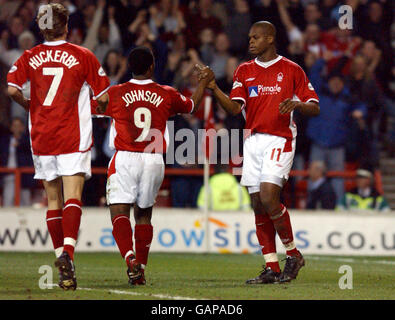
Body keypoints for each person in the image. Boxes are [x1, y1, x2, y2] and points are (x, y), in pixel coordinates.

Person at [198, 21, 320, 284]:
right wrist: (213, 87)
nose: (251, 41)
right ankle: (271, 267)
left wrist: (297, 104)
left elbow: (314, 106)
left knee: (268, 196)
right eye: (250, 37)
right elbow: (233, 109)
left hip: (280, 139)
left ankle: (294, 254)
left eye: (256, 37)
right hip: (252, 141)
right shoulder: (244, 71)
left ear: (270, 38)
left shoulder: (291, 69)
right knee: (257, 204)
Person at [6, 3, 110, 290]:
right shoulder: (82, 55)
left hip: (42, 135)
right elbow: (103, 95)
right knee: (72, 196)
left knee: (53, 200)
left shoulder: (29, 56)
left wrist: (28, 104)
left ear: (41, 27)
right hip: (71, 136)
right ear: (66, 26)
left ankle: (61, 266)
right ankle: (68, 253)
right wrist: (97, 106)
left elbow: (12, 89)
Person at [93, 46, 214, 286]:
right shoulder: (166, 93)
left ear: (130, 67)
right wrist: (203, 83)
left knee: (119, 212)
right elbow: (191, 106)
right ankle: (142, 270)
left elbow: (95, 108)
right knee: (144, 214)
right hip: (153, 159)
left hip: (126, 156)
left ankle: (130, 260)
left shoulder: (116, 92)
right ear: (151, 67)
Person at [0, 117, 34, 207]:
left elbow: (30, 147)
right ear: (11, 127)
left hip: (24, 176)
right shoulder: (5, 141)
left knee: (25, 201)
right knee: (8, 199)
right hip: (8, 175)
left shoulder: (28, 140)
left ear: (23, 127)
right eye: (14, 126)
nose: (16, 128)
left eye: (19, 126)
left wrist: (20, 142)